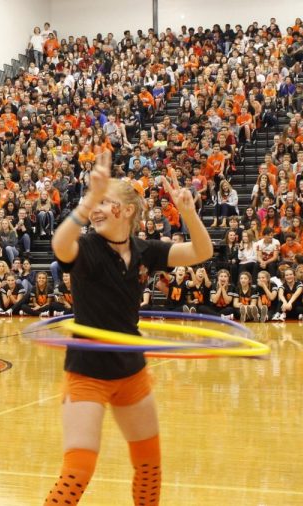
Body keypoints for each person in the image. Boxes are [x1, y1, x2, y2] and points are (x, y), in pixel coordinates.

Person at [45, 151, 212, 506]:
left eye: (106, 201)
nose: (97, 209)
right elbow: (60, 245)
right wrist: (89, 197)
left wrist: (188, 213)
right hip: (87, 372)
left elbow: (200, 252)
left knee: (150, 467)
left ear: (128, 210)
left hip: (131, 370)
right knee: (77, 472)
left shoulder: (144, 251)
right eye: (95, 203)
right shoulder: (87, 247)